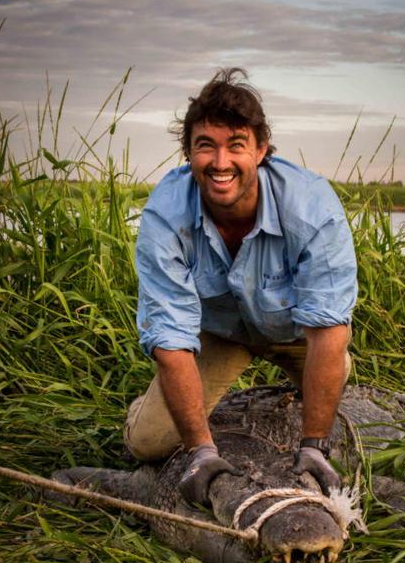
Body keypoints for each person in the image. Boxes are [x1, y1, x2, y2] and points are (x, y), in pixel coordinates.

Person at [124, 68, 357, 506]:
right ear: (188, 154)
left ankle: (301, 412)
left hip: (294, 333)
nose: (220, 162)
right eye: (205, 146)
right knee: (148, 443)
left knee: (335, 374)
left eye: (236, 145)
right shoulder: (164, 216)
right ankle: (153, 407)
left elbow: (327, 331)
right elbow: (171, 340)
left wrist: (313, 446)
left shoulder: (313, 208)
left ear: (262, 150)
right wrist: (201, 451)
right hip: (220, 333)